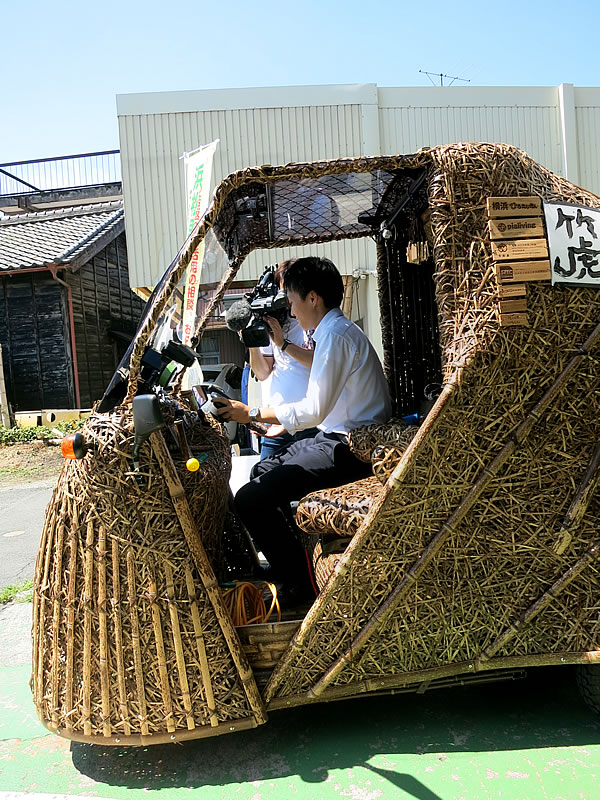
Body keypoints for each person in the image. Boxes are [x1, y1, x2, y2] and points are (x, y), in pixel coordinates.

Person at [217, 256, 392, 602]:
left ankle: (298, 585)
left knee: (250, 499)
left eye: (293, 302)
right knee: (261, 470)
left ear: (313, 298)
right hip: (335, 437)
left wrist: (249, 411)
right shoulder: (332, 332)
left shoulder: (337, 336)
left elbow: (313, 410)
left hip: (348, 447)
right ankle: (293, 566)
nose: (291, 312)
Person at [247, 260, 319, 460]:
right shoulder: (275, 321)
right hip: (278, 422)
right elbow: (262, 373)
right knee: (261, 479)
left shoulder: (317, 319)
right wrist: (252, 339)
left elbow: (318, 361)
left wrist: (282, 343)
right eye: (283, 290)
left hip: (312, 421)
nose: (287, 298)